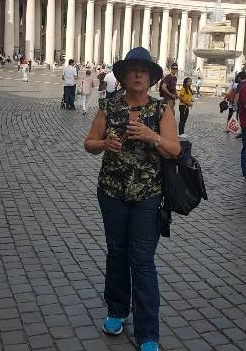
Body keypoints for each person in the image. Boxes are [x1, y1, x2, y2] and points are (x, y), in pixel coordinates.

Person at [84, 47, 180, 350]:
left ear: (151, 78)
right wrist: (104, 143)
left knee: (142, 261)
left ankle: (148, 332)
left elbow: (174, 150)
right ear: (123, 77)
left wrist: (153, 137)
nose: (138, 75)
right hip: (112, 192)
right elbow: (89, 143)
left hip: (148, 195)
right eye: (132, 70)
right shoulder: (109, 106)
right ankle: (116, 309)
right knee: (116, 253)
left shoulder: (161, 109)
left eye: (144, 70)